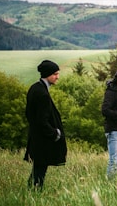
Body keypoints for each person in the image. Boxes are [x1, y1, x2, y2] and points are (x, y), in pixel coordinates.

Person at [24, 60, 67, 191]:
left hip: (37, 136)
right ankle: (35, 193)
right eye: (55, 74)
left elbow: (29, 114)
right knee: (40, 169)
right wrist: (54, 133)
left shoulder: (35, 88)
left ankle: (31, 192)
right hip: (42, 139)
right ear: (47, 74)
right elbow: (42, 120)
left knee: (38, 168)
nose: (57, 77)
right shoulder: (41, 93)